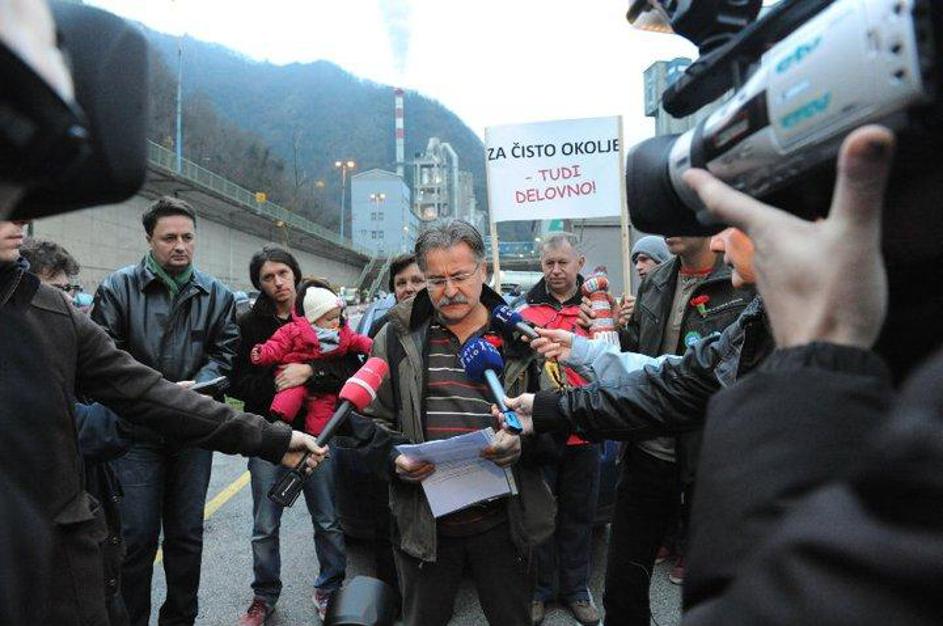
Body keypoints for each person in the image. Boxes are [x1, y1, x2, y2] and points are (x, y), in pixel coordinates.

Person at [364, 220, 554, 626]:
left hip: (504, 522)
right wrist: (393, 459)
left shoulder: (521, 338)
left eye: (460, 276)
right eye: (436, 280)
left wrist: (523, 445)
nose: (449, 290)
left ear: (483, 270)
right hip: (424, 524)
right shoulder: (395, 337)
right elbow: (367, 422)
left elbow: (556, 426)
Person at [90, 196, 241, 626]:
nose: (180, 246)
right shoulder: (117, 288)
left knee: (187, 537)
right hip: (134, 433)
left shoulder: (218, 295)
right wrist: (154, 391)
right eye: (169, 237)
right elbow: (103, 358)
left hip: (193, 430)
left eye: (187, 237)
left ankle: (180, 619)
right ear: (149, 239)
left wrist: (201, 385)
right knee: (136, 539)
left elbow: (225, 356)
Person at [230, 248, 362, 625]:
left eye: (283, 273)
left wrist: (310, 373)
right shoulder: (248, 323)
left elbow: (350, 371)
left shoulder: (323, 309)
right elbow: (236, 381)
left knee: (327, 519)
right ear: (259, 283)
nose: (278, 282)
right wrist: (278, 383)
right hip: (269, 436)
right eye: (268, 277)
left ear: (295, 274)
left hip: (321, 433)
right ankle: (264, 595)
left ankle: (329, 589)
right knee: (265, 524)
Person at [19, 237, 133, 625]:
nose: (67, 301)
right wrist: (148, 407)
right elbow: (85, 430)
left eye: (69, 290)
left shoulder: (68, 345)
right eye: (54, 291)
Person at [516, 233, 600, 626]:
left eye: (563, 262)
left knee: (579, 517)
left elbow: (616, 356)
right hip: (541, 429)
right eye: (548, 263)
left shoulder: (596, 308)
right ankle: (540, 590)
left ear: (579, 263)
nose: (555, 270)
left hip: (586, 426)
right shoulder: (523, 311)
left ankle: (576, 589)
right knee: (539, 517)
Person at [251, 285, 373, 434]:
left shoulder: (341, 333)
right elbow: (277, 344)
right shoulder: (295, 330)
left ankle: (318, 437)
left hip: (323, 388)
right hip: (293, 374)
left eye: (338, 316)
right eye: (330, 319)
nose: (336, 322)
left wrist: (371, 346)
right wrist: (262, 352)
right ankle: (280, 418)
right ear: (314, 319)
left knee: (323, 410)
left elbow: (356, 340)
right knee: (290, 394)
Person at [367, 252, 426, 338]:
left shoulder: (443, 323)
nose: (408, 288)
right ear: (393, 290)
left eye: (416, 281)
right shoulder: (379, 328)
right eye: (401, 283)